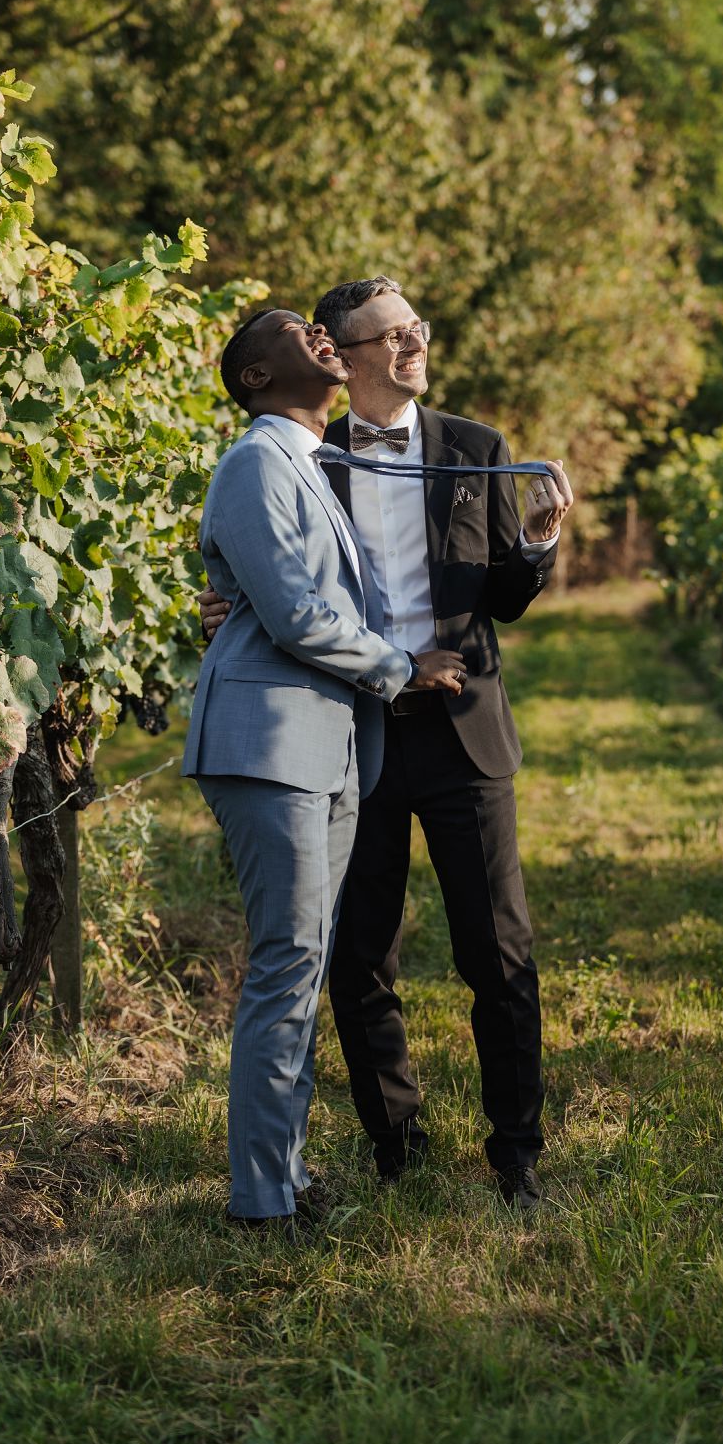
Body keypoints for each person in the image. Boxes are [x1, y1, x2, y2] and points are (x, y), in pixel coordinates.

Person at [201, 278, 573, 1211]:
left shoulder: (474, 450)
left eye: (418, 330)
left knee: (499, 950)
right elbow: (277, 577)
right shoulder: (303, 454)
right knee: (358, 956)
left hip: (461, 731)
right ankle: (395, 1138)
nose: (413, 345)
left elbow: (500, 598)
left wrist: (533, 547)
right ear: (343, 350)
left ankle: (516, 1152)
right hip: (349, 726)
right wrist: (233, 602)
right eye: (391, 335)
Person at [183, 306, 465, 1238]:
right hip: (271, 743)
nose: (316, 333)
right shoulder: (257, 462)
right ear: (255, 377)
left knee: (302, 968)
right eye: (288, 329)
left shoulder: (310, 463)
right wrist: (401, 666)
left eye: (319, 325)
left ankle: (286, 1177)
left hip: (327, 742)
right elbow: (299, 615)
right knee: (286, 966)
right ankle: (261, 1202)